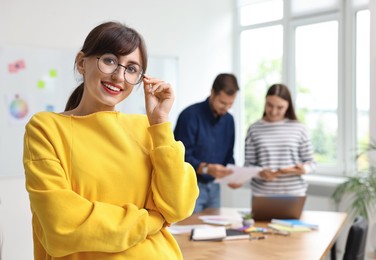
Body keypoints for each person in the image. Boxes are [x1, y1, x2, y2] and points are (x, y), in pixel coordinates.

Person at [23, 21, 199, 260]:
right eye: (109, 60)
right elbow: (61, 225)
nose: (119, 75)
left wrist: (160, 124)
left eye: (132, 68)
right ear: (81, 62)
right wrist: (152, 220)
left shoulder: (147, 128)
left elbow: (178, 206)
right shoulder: (46, 128)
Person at [174, 73, 241, 213]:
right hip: (190, 186)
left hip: (215, 188)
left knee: (214, 230)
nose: (226, 108)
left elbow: (229, 155)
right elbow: (179, 157)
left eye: (230, 104)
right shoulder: (189, 115)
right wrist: (206, 168)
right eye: (222, 102)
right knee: (188, 229)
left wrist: (233, 175)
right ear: (212, 92)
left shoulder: (229, 120)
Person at [244, 83, 315, 196]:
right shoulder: (254, 129)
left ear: (288, 106)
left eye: (280, 107)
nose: (273, 111)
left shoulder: (300, 128)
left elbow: (311, 163)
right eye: (269, 105)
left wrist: (303, 169)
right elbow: (248, 165)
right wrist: (260, 172)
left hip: (294, 194)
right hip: (262, 194)